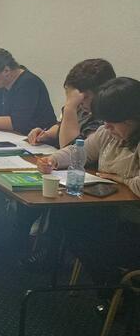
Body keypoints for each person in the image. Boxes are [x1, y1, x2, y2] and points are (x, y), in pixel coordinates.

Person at [36, 78, 140, 311]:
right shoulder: (108, 133)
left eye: (112, 123)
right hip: (113, 213)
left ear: (132, 119)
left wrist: (119, 179)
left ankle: (114, 291)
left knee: (86, 233)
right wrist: (53, 160)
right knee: (68, 219)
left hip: (134, 223)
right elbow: (80, 151)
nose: (107, 128)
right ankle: (112, 288)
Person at [27, 59, 116, 149]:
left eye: (85, 97)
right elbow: (61, 126)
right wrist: (46, 134)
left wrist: (70, 108)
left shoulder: (104, 122)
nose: (80, 103)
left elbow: (72, 152)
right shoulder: (82, 108)